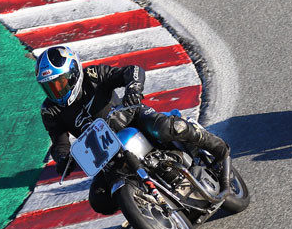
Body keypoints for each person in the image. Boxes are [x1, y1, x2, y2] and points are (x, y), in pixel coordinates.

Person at [36, 45, 232, 214]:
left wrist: (133, 90)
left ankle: (217, 147)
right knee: (100, 200)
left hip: (131, 119)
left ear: (73, 74)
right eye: (49, 87)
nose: (55, 91)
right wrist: (62, 159)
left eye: (59, 83)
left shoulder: (92, 76)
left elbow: (133, 71)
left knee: (165, 127)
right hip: (105, 153)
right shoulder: (50, 110)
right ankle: (145, 205)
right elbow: (59, 142)